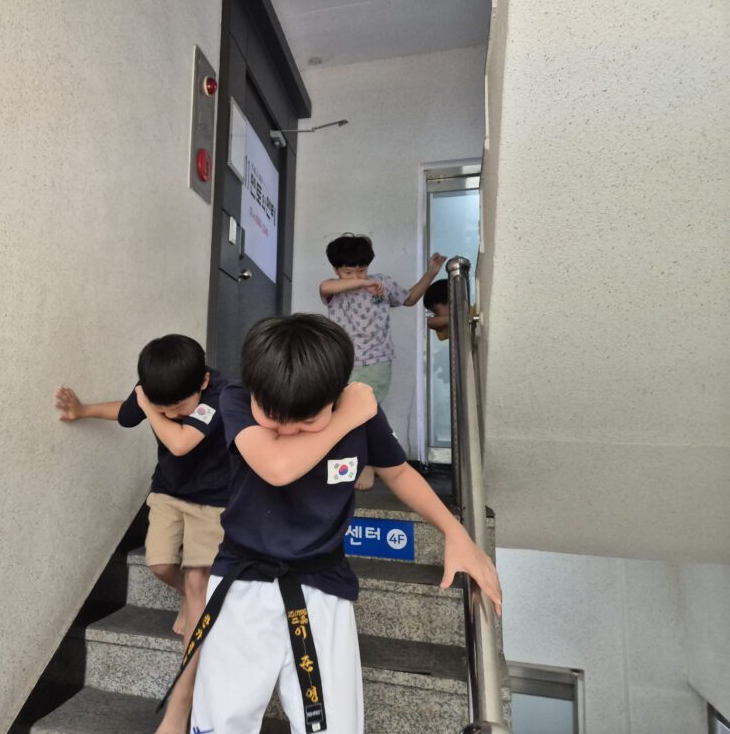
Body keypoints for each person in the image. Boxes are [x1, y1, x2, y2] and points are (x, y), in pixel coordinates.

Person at [183, 314, 501, 734]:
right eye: (273, 417)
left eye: (305, 421)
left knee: (334, 724)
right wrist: (346, 417)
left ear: (334, 395)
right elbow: (278, 468)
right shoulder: (239, 399)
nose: (287, 430)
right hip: (241, 582)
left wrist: (455, 532)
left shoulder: (361, 413)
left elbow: (398, 472)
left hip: (323, 585)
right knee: (221, 720)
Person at [54, 334, 230, 734]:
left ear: (203, 381)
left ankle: (180, 708)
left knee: (199, 581)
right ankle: (193, 598)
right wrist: (82, 410)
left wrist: (151, 406)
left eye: (178, 408)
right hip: (168, 492)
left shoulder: (220, 395)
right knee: (160, 565)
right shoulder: (159, 390)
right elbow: (125, 411)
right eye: (162, 406)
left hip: (214, 501)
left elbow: (181, 443)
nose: (170, 414)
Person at [320, 234, 447, 489]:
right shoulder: (336, 288)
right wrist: (363, 282)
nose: (355, 276)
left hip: (376, 362)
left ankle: (367, 466)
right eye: (348, 272)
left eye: (361, 270)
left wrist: (431, 273)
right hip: (342, 362)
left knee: (364, 414)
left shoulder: (382, 283)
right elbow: (325, 287)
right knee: (341, 414)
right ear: (336, 269)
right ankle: (350, 466)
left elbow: (409, 299)